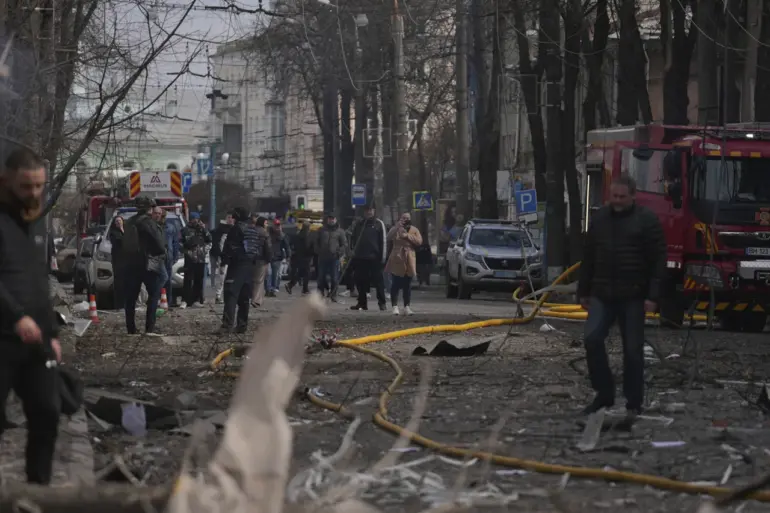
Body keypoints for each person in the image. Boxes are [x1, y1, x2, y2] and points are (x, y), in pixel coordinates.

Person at [577, 174, 666, 418]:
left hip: (633, 295)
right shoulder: (600, 219)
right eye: (613, 196)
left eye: (621, 197)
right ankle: (604, 393)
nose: (616, 201)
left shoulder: (646, 221)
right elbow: (589, 256)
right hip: (602, 293)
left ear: (633, 196)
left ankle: (633, 402)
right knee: (592, 339)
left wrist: (653, 296)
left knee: (633, 351)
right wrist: (583, 291)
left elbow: (658, 260)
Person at [0, 148, 63, 484]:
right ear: (6, 181)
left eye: (39, 186)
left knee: (47, 412)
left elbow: (39, 283)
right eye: (27, 186)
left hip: (35, 341)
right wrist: (16, 316)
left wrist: (52, 334)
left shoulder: (34, 223)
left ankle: (38, 491)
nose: (34, 193)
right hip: (3, 337)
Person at [122, 197, 167, 335]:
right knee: (153, 295)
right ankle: (150, 327)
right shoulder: (149, 223)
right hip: (148, 264)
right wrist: (161, 252)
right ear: (150, 207)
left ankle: (131, 328)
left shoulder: (129, 222)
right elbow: (159, 244)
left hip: (130, 263)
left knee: (131, 298)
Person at [220, 207, 257, 333]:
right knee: (244, 298)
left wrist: (225, 260)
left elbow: (229, 248)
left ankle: (227, 325)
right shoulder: (252, 229)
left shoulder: (235, 229)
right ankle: (242, 325)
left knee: (231, 295)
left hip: (237, 266)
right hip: (250, 267)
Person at [350, 204, 387, 311]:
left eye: (371, 210)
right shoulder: (359, 224)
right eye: (367, 210)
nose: (369, 212)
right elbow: (354, 240)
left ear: (374, 211)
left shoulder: (379, 224)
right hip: (360, 257)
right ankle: (362, 303)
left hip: (375, 258)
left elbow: (383, 242)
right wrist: (353, 253)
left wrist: (383, 258)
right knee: (360, 281)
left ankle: (382, 303)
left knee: (378, 281)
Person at [386, 212, 423, 315]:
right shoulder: (395, 228)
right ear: (400, 218)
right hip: (397, 256)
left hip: (409, 257)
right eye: (404, 218)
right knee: (396, 283)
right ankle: (394, 306)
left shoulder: (414, 229)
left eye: (408, 218)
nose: (406, 220)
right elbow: (389, 237)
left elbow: (419, 241)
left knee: (407, 284)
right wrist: (397, 227)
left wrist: (407, 236)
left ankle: (407, 307)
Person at [180, 212, 211, 308]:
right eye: (193, 219)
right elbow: (180, 243)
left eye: (196, 219)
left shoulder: (202, 230)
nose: (195, 221)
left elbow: (209, 240)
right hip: (189, 258)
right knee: (188, 280)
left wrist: (204, 251)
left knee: (199, 280)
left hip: (200, 258)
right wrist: (186, 251)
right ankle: (185, 300)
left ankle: (196, 300)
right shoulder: (185, 230)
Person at [314, 212, 347, 300]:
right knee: (321, 277)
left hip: (334, 258)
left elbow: (344, 245)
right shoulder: (321, 230)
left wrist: (338, 253)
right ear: (327, 220)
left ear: (335, 220)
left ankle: (333, 294)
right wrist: (318, 251)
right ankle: (320, 293)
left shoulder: (340, 231)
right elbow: (316, 242)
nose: (331, 220)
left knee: (334, 278)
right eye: (330, 218)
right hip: (322, 257)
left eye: (333, 218)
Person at [210, 213, 234, 304]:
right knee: (222, 276)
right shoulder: (221, 230)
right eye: (229, 217)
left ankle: (222, 295)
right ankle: (218, 295)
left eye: (232, 218)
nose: (231, 219)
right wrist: (220, 255)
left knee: (226, 276)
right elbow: (217, 244)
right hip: (223, 256)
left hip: (229, 256)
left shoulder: (233, 229)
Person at [250, 216, 272, 308]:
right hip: (261, 259)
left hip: (250, 258)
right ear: (263, 223)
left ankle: (252, 297)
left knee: (252, 279)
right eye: (266, 223)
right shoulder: (264, 233)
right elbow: (268, 248)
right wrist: (269, 259)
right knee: (259, 280)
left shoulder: (251, 231)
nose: (267, 225)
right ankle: (256, 300)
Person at [285, 221, 312, 295]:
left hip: (297, 257)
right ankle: (305, 289)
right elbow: (307, 246)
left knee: (300, 273)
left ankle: (291, 285)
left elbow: (292, 244)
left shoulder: (297, 235)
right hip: (305, 257)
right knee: (307, 274)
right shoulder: (307, 236)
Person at [162, 209, 181, 307]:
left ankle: (167, 301)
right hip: (157, 257)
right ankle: (158, 300)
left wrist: (175, 256)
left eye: (163, 215)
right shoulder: (154, 226)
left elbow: (175, 242)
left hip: (168, 257)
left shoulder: (170, 227)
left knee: (168, 280)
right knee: (158, 280)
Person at [267, 219, 290, 296]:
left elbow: (287, 246)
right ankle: (268, 289)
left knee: (275, 274)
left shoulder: (282, 235)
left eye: (278, 225)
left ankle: (273, 289)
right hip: (268, 256)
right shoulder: (268, 233)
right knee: (268, 274)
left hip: (277, 257)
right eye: (276, 225)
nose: (277, 227)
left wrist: (288, 256)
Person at [108, 215, 126, 309]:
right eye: (117, 221)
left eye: (120, 221)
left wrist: (123, 230)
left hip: (126, 260)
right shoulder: (113, 233)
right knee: (119, 283)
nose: (119, 222)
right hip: (118, 260)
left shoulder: (126, 231)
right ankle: (119, 305)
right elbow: (120, 241)